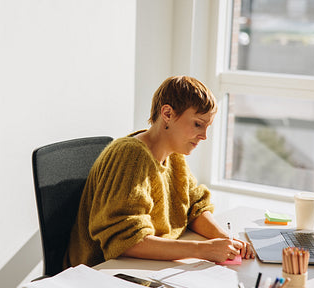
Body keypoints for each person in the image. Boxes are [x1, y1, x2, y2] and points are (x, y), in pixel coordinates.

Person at [64, 75, 255, 268]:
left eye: (207, 126)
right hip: (103, 271)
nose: (204, 136)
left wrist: (225, 241)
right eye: (198, 124)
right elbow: (125, 240)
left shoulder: (173, 153)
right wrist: (201, 249)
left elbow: (194, 208)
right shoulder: (130, 156)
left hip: (145, 266)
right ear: (168, 114)